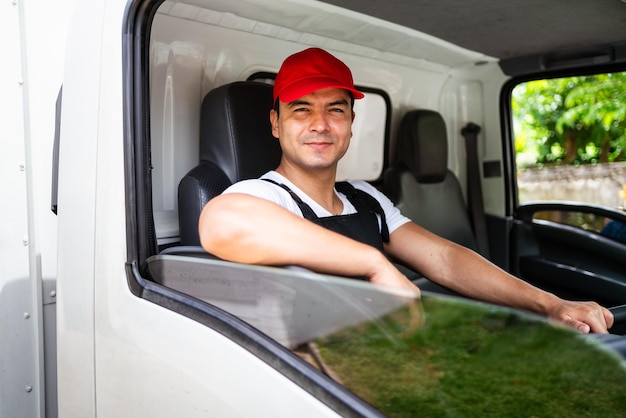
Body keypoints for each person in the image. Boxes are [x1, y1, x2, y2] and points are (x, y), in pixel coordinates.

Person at [199, 47, 613, 334]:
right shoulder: (264, 194)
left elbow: (446, 259)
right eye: (301, 110)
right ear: (275, 124)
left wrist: (551, 304)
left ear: (350, 122)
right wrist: (373, 263)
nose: (320, 124)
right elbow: (221, 222)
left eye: (335, 109)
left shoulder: (364, 197)